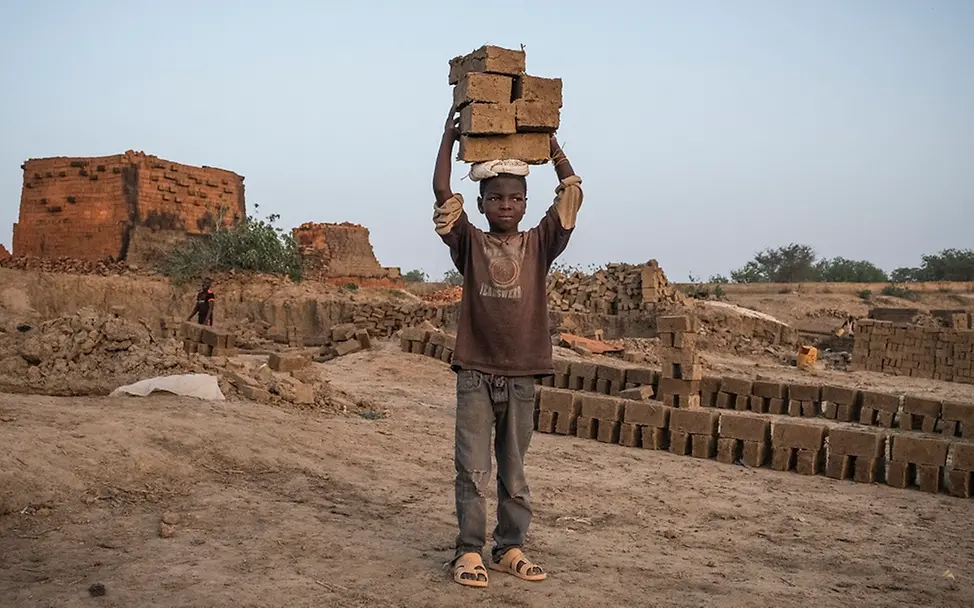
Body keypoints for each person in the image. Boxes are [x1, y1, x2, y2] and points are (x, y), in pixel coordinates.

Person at [432, 105, 582, 588]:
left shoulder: (540, 244)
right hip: (475, 373)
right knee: (472, 470)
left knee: (514, 473)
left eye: (514, 198)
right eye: (494, 197)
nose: (504, 205)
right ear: (481, 205)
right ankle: (469, 551)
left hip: (522, 375)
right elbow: (441, 193)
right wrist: (447, 140)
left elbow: (572, 191)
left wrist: (549, 145)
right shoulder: (470, 244)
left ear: (524, 203)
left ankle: (509, 547)